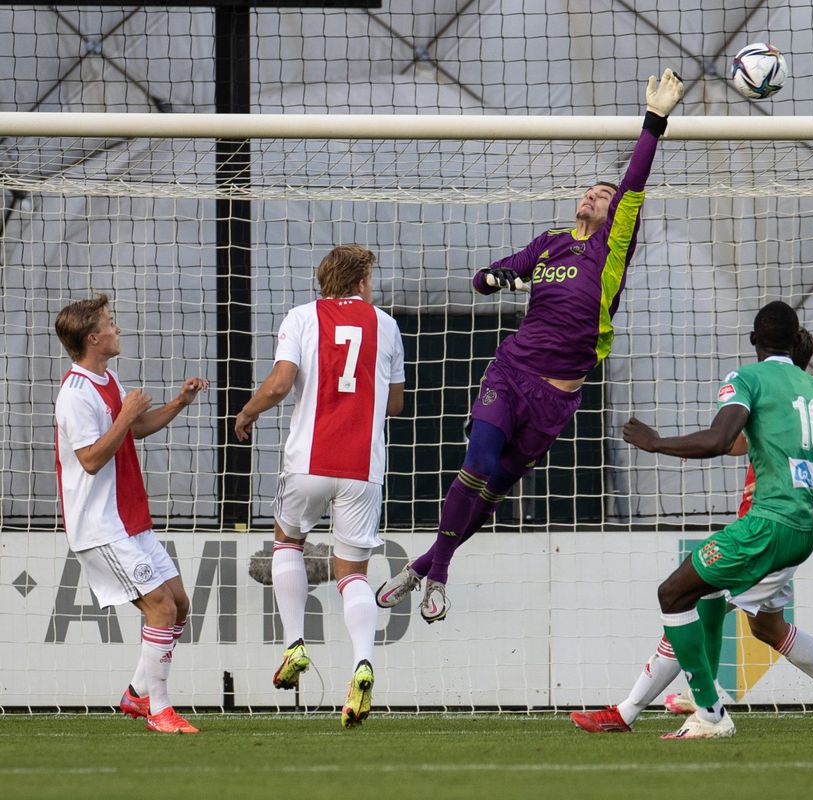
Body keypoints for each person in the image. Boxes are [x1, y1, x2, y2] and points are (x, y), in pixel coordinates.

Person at [375, 69, 685, 622]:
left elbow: (635, 180)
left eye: (604, 195)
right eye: (590, 190)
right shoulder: (549, 245)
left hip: (555, 400)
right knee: (477, 463)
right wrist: (496, 279)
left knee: (492, 491)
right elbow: (486, 277)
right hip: (510, 372)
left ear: (617, 216)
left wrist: (654, 121)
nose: (595, 194)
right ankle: (440, 571)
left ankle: (427, 562)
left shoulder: (612, 249)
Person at [570, 327, 813, 734]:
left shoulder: (774, 400)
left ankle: (665, 708)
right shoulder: (799, 410)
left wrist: (661, 443)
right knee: (763, 624)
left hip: (767, 532)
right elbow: (733, 442)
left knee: (685, 596)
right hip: (784, 533)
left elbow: (721, 440)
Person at [234, 244, 405, 728]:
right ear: (359, 283)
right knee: (354, 573)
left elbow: (281, 383)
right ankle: (362, 665)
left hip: (308, 461)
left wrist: (248, 411)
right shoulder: (386, 325)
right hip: (363, 468)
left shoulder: (301, 317)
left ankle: (294, 646)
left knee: (286, 542)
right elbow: (395, 405)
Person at [53, 294, 208, 734]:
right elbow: (90, 459)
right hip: (100, 526)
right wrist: (125, 415)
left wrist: (178, 402)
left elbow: (134, 429)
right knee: (158, 606)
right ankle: (159, 711)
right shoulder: (75, 394)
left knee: (178, 606)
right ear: (93, 337)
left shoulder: (109, 378)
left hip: (129, 520)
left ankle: (137, 694)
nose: (117, 327)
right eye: (110, 322)